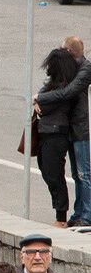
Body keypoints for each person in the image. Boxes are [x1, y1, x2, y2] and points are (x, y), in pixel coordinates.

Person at [35, 36, 91, 227]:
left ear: (69, 51)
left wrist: (41, 99)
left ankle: (87, 214)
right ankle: (79, 212)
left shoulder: (84, 69)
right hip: (69, 127)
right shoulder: (70, 67)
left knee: (84, 173)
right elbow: (54, 84)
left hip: (79, 128)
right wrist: (40, 97)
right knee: (76, 174)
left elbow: (67, 92)